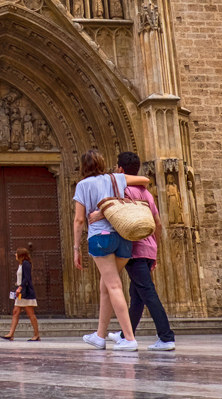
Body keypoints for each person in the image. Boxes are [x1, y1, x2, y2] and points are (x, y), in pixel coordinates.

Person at [73, 148, 150, 351]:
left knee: (114, 286)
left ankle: (129, 338)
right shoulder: (115, 178)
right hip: (123, 236)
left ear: (83, 167)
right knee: (106, 286)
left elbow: (80, 219)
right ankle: (99, 336)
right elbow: (145, 180)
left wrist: (75, 248)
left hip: (101, 238)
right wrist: (110, 207)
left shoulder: (83, 185)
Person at [114, 151, 175, 351]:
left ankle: (166, 337)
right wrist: (154, 251)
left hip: (136, 249)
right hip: (148, 248)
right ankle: (125, 334)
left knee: (148, 294)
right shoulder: (147, 193)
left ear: (121, 169)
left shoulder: (124, 190)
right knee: (137, 296)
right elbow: (157, 224)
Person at [1, 247, 40, 341]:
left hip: (25, 292)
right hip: (20, 292)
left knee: (30, 313)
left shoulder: (26, 264)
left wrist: (20, 287)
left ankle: (36, 334)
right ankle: (11, 334)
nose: (15, 255)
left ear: (21, 255)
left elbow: (27, 278)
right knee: (15, 312)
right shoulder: (21, 264)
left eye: (16, 253)